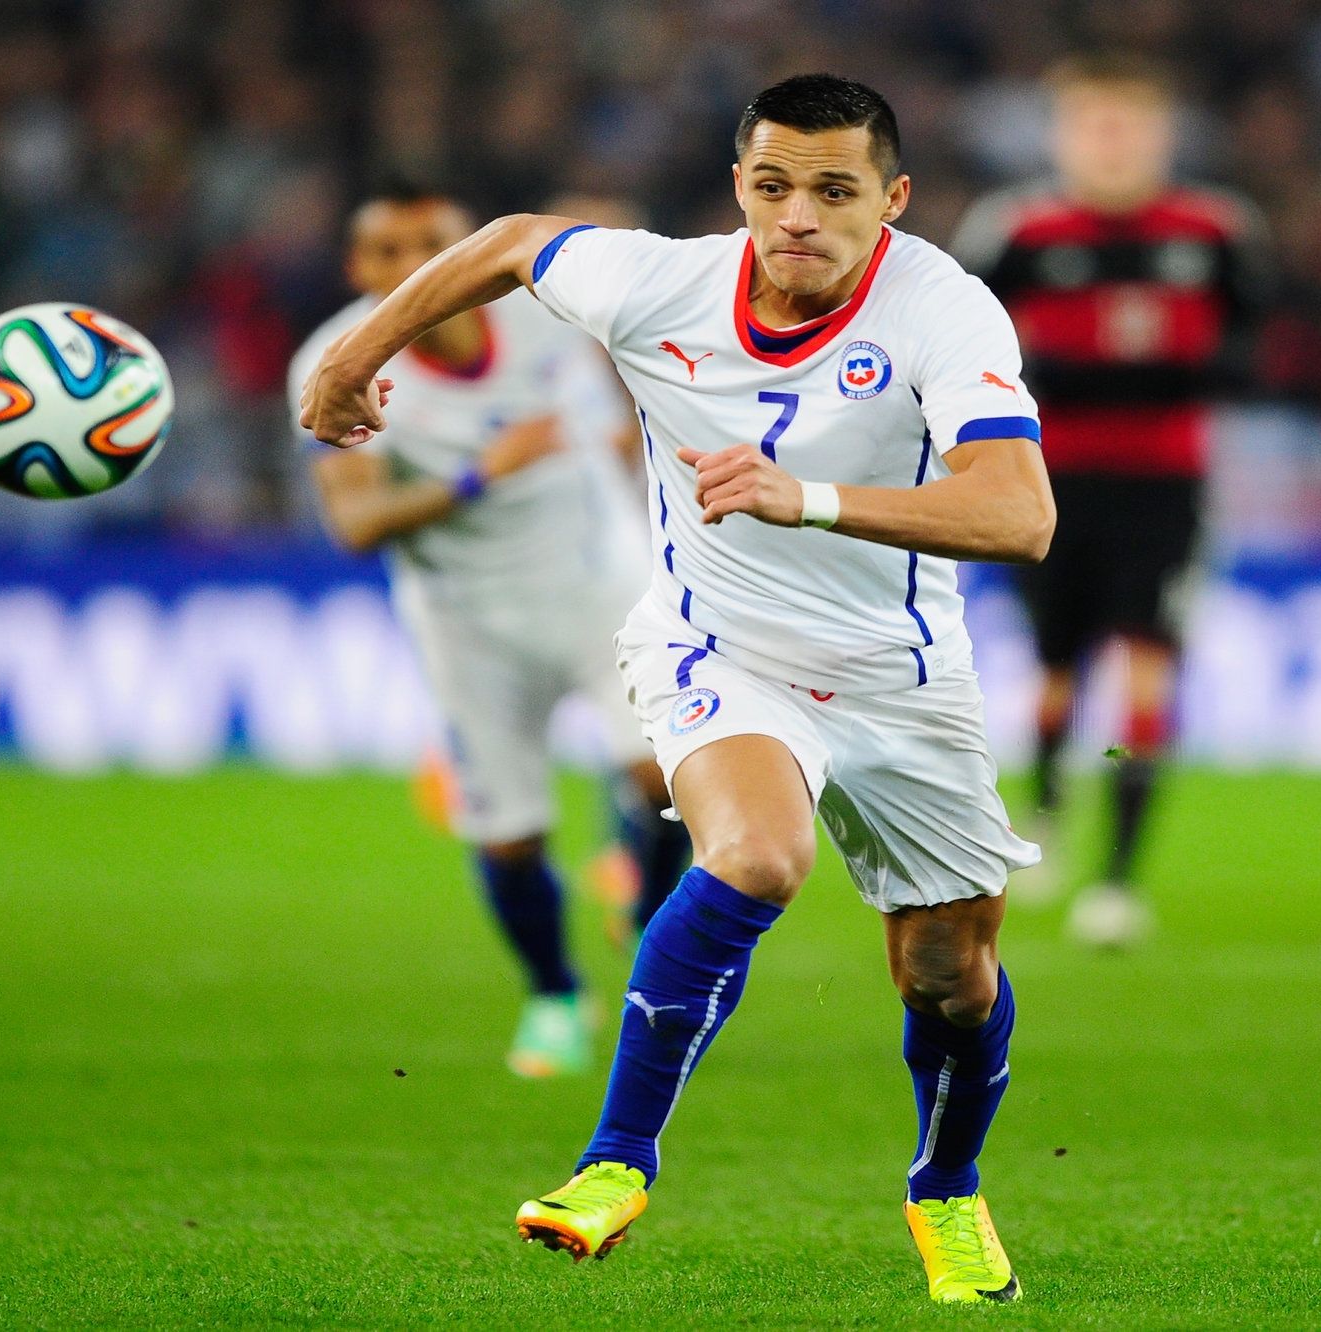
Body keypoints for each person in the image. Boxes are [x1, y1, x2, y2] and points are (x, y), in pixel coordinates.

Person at [301, 75, 1055, 1305]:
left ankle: (947, 1189)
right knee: (756, 856)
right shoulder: (664, 282)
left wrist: (799, 495)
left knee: (946, 973)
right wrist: (353, 356)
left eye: (833, 189)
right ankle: (613, 1162)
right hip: (720, 646)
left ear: (894, 199)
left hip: (902, 675)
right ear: (740, 187)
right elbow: (502, 247)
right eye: (771, 185)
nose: (797, 215)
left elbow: (1020, 517)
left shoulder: (944, 310)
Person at [287, 182, 692, 1078]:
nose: (413, 267)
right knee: (510, 837)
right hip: (469, 621)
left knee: (668, 774)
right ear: (360, 269)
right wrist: (481, 475)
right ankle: (553, 994)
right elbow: (357, 526)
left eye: (432, 243)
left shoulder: (545, 315)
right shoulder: (339, 362)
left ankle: (647, 949)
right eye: (389, 252)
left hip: (604, 586)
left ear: (467, 243)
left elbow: (623, 388)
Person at [953, 54, 1269, 947]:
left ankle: (1120, 880)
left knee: (1146, 664)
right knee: (1055, 667)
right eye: (1094, 125)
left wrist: (1167, 372)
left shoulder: (1213, 229)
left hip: (1165, 489)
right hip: (1048, 481)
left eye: (1128, 126)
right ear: (1064, 135)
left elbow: (1251, 341)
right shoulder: (1018, 228)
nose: (1112, 143)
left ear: (1160, 136)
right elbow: (960, 335)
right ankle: (1049, 806)